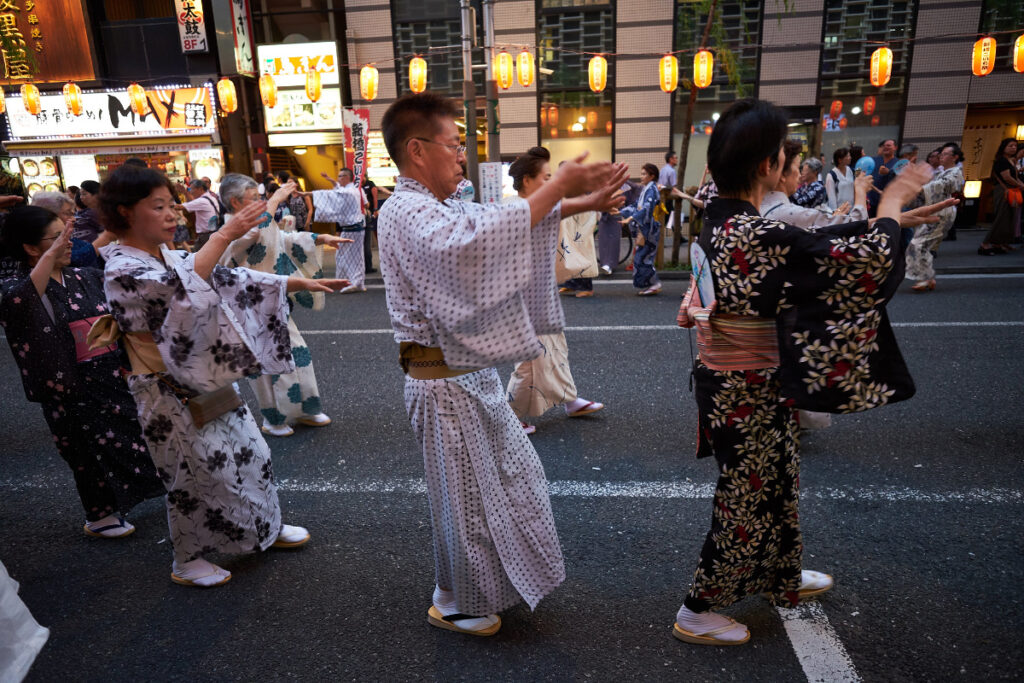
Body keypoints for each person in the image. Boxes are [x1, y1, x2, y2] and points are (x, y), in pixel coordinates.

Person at [672, 98, 949, 646]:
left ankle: (780, 576)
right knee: (747, 493)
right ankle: (698, 607)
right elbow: (859, 261)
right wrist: (892, 198)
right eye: (782, 153)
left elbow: (811, 245)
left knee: (777, 482)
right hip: (744, 386)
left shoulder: (725, 218)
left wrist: (888, 218)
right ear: (768, 166)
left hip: (744, 383)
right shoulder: (750, 233)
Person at [376, 92, 627, 636]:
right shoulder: (404, 209)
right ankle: (457, 600)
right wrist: (560, 186)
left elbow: (494, 221)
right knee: (468, 502)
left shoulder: (438, 205)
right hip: (442, 383)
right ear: (416, 151)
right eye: (452, 144)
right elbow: (472, 242)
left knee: (502, 484)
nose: (461, 155)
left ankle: (461, 587)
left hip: (467, 377)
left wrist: (583, 203)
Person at [96, 164, 347, 587]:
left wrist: (293, 284)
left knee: (251, 454)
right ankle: (188, 558)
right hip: (166, 387)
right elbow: (181, 292)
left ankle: (264, 528)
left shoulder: (169, 255)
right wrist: (222, 236)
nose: (172, 214)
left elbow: (228, 278)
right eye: (159, 207)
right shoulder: (121, 265)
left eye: (172, 204)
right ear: (125, 213)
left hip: (205, 377)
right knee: (195, 472)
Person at [0, 205, 163, 538]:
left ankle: (160, 487)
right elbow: (20, 301)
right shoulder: (14, 287)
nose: (67, 243)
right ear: (31, 248)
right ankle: (99, 514)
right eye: (56, 237)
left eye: (68, 234)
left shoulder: (83, 275)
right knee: (84, 451)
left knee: (135, 435)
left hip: (108, 374)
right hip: (68, 386)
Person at [217, 173, 351, 437]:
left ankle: (307, 408)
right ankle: (273, 418)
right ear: (234, 203)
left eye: (260, 197)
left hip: (275, 302)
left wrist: (320, 238)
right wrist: (276, 199)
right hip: (252, 308)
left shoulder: (258, 222)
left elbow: (282, 240)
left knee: (299, 354)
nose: (260, 202)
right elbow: (258, 232)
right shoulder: (231, 229)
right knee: (266, 365)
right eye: (253, 198)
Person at [504, 147, 606, 435]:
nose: (551, 183)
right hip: (520, 296)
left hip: (538, 291)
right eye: (546, 178)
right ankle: (508, 415)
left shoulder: (537, 207)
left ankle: (570, 400)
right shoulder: (513, 209)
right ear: (527, 180)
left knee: (555, 348)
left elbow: (569, 223)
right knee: (529, 358)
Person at [762, 140, 869, 228]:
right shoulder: (791, 213)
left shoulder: (760, 207)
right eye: (799, 167)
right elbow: (858, 224)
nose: (800, 174)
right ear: (783, 174)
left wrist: (831, 218)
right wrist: (860, 189)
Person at [905, 142, 964, 291]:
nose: (941, 157)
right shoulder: (942, 172)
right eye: (941, 154)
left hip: (942, 213)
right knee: (921, 244)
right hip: (934, 211)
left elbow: (946, 186)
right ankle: (927, 278)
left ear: (955, 157)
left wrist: (921, 188)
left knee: (920, 244)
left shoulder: (956, 172)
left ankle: (924, 279)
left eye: (945, 154)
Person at [312, 168, 366, 293]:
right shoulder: (350, 190)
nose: (338, 178)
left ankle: (355, 282)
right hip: (351, 228)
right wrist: (329, 179)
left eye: (341, 176)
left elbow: (335, 194)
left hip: (354, 228)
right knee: (345, 256)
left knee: (352, 257)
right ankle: (348, 281)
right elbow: (337, 189)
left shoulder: (351, 191)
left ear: (347, 177)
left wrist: (308, 194)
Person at [31, 191, 114, 269]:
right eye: (68, 213)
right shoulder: (45, 242)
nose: (74, 219)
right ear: (49, 215)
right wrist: (107, 237)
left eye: (73, 213)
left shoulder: (73, 240)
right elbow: (78, 260)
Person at [619, 163, 662, 296]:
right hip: (645, 228)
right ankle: (652, 284)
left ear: (652, 176)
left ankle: (654, 284)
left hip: (649, 229)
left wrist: (631, 218)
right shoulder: (647, 189)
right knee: (642, 257)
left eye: (644, 174)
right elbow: (636, 205)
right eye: (642, 173)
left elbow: (645, 209)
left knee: (644, 257)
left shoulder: (652, 190)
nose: (641, 176)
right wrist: (620, 211)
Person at [979, 138, 1024, 255]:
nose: (1013, 148)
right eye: (1010, 146)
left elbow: (1015, 176)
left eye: (1015, 146)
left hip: (1011, 190)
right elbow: (1007, 177)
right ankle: (985, 244)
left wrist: (1021, 184)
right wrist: (1020, 185)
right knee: (1001, 217)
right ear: (1003, 147)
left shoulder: (1011, 161)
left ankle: (998, 244)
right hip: (1003, 191)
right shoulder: (1002, 161)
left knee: (1008, 218)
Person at [181, 179, 222, 249]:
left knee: (197, 257)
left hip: (205, 236)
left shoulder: (202, 201)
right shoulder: (211, 198)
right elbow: (193, 203)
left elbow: (180, 207)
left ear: (200, 189)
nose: (191, 191)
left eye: (192, 189)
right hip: (213, 232)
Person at [868, 138, 898, 215]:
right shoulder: (873, 160)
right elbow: (859, 168)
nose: (885, 147)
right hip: (871, 200)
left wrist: (889, 172)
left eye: (888, 145)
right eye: (884, 146)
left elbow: (902, 179)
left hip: (887, 202)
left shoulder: (898, 163)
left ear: (895, 148)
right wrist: (858, 176)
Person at [362, 175, 379, 273]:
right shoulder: (357, 187)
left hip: (370, 214)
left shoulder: (370, 184)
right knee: (365, 243)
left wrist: (375, 209)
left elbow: (375, 197)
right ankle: (366, 266)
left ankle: (368, 266)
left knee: (367, 242)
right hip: (363, 216)